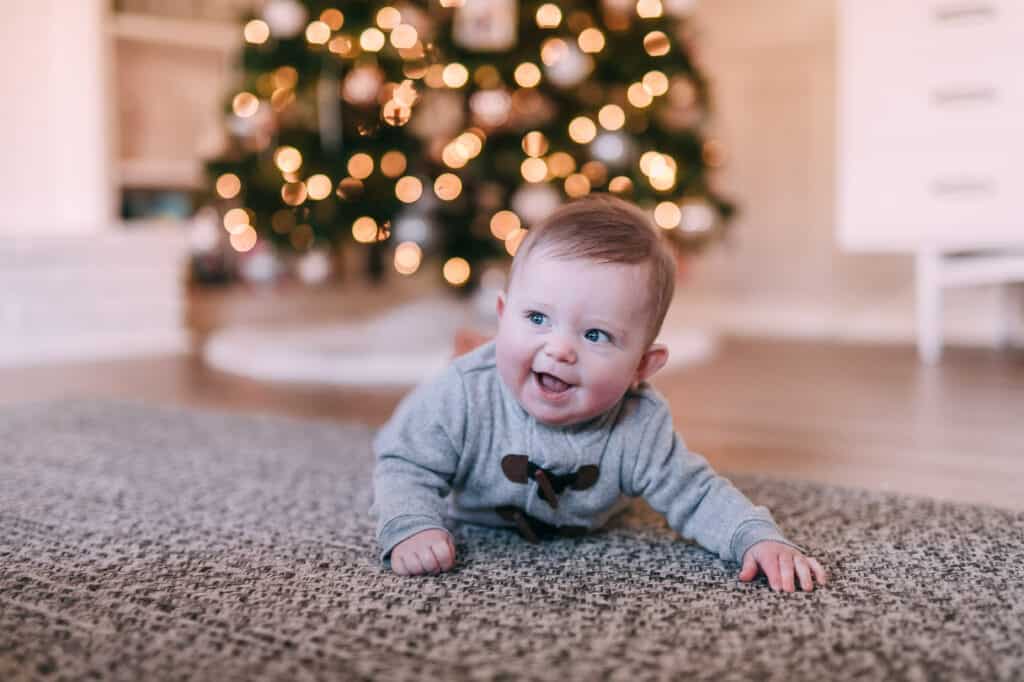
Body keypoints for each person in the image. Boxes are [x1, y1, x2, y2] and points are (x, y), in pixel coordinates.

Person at [371, 193, 827, 592]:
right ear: (503, 314)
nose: (560, 349)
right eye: (536, 318)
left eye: (594, 335)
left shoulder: (639, 424)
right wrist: (412, 526)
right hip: (469, 436)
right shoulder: (464, 396)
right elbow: (404, 462)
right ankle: (475, 346)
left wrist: (755, 536)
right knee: (437, 410)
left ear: (641, 368)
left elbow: (696, 493)